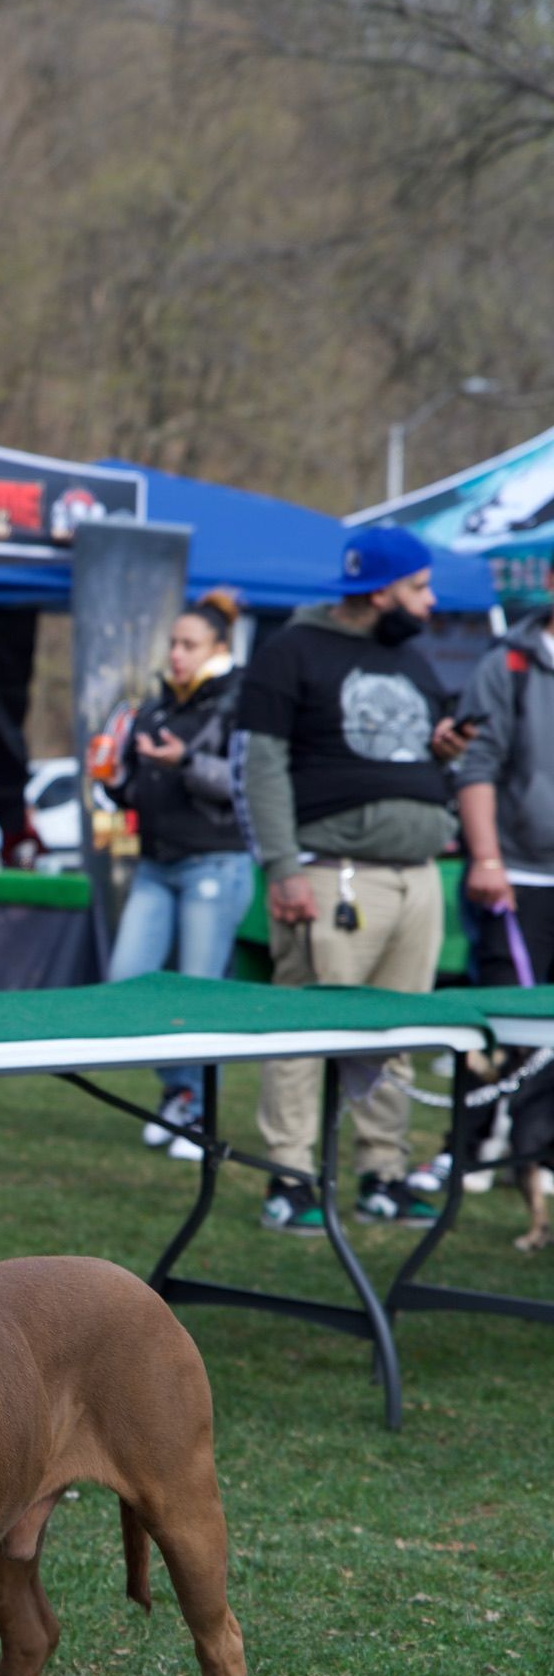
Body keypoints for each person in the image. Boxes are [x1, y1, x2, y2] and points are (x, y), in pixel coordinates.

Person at [232, 523, 471, 1234]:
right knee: (305, 1030)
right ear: (378, 591)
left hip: (419, 878)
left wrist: (445, 752)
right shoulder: (290, 651)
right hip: (332, 876)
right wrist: (283, 868)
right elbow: (260, 768)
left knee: (393, 1033)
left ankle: (384, 1174)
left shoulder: (414, 662)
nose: (429, 604)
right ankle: (291, 1178)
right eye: (418, 588)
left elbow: (411, 754)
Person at [106, 588, 252, 1161]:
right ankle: (178, 1090)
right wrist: (116, 777)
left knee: (198, 992)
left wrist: (185, 762)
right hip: (157, 862)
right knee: (130, 980)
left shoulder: (240, 699)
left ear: (220, 648)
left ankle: (194, 1105)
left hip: (215, 862)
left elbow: (245, 783)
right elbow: (138, 785)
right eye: (173, 643)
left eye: (189, 644)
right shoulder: (157, 703)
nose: (177, 654)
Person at [454, 584, 554, 1168]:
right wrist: (487, 858)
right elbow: (478, 765)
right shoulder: (508, 664)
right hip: (516, 874)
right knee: (502, 1022)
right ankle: (468, 1151)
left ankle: (536, 1155)